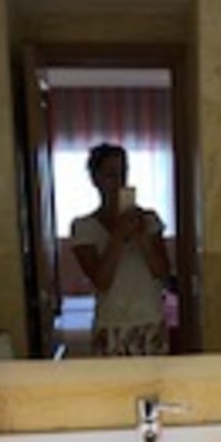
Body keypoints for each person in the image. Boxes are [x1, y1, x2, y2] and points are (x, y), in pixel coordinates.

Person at [71, 142, 170, 356]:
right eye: (111, 174)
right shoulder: (83, 227)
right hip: (110, 325)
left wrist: (143, 238)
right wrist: (118, 236)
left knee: (154, 379)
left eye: (123, 172)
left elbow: (163, 273)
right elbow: (101, 282)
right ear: (95, 179)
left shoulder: (149, 219)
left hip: (150, 321)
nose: (119, 181)